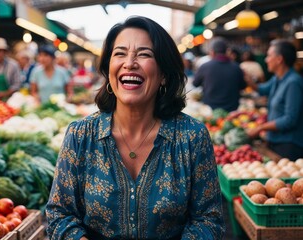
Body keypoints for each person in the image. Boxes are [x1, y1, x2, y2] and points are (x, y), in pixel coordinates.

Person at [46, 16, 225, 239]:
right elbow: (59, 215)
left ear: (163, 74)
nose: (129, 63)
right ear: (108, 69)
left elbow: (209, 220)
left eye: (144, 54)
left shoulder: (192, 137)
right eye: (120, 53)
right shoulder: (81, 135)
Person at [246, 39, 303, 160]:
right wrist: (246, 79)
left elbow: (290, 119)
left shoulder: (293, 82)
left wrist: (261, 127)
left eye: (269, 55)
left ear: (279, 59)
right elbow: (262, 89)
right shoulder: (277, 79)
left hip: (289, 145)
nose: (266, 59)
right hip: (275, 141)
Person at [193, 37, 246, 112]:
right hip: (232, 111)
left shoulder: (204, 67)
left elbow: (195, 84)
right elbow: (243, 86)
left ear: (212, 52)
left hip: (209, 111)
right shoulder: (236, 67)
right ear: (227, 51)